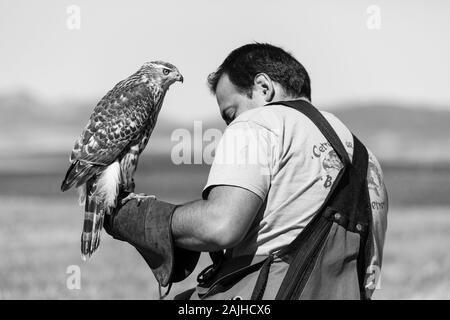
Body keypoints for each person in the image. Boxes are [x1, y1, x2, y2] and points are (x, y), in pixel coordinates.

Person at [104, 43, 388, 300]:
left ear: (263, 87)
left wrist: (146, 217)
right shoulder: (364, 157)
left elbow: (220, 226)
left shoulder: (259, 122)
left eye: (231, 113)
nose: (231, 125)